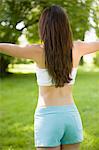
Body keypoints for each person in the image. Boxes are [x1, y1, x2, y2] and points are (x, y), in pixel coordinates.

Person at [0, 5, 99, 150]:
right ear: (66, 27)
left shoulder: (37, 52)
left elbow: (4, 47)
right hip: (71, 116)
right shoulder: (78, 48)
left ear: (44, 27)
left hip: (48, 118)